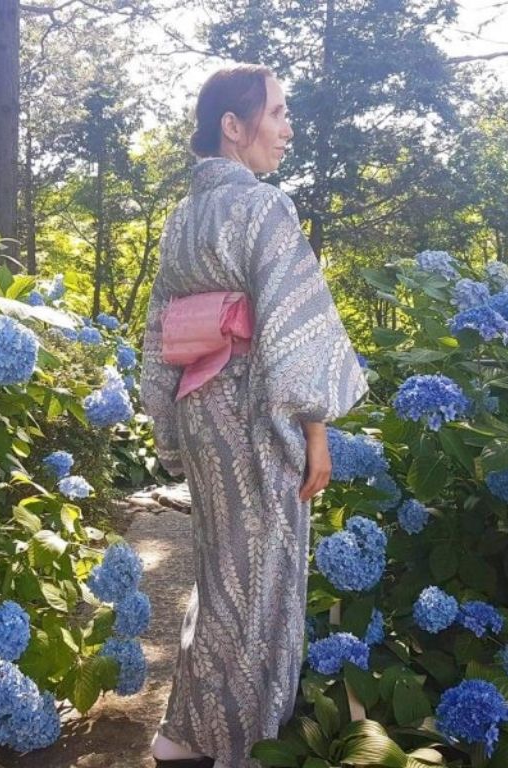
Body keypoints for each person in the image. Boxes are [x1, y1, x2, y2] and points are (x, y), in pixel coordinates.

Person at [140, 65, 368, 768]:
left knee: (222, 575)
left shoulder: (183, 218)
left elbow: (158, 336)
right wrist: (316, 429)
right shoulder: (263, 207)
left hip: (201, 412)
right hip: (254, 413)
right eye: (276, 113)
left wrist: (169, 433)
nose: (287, 128)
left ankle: (183, 734)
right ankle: (243, 745)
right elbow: (293, 332)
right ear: (232, 128)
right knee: (265, 581)